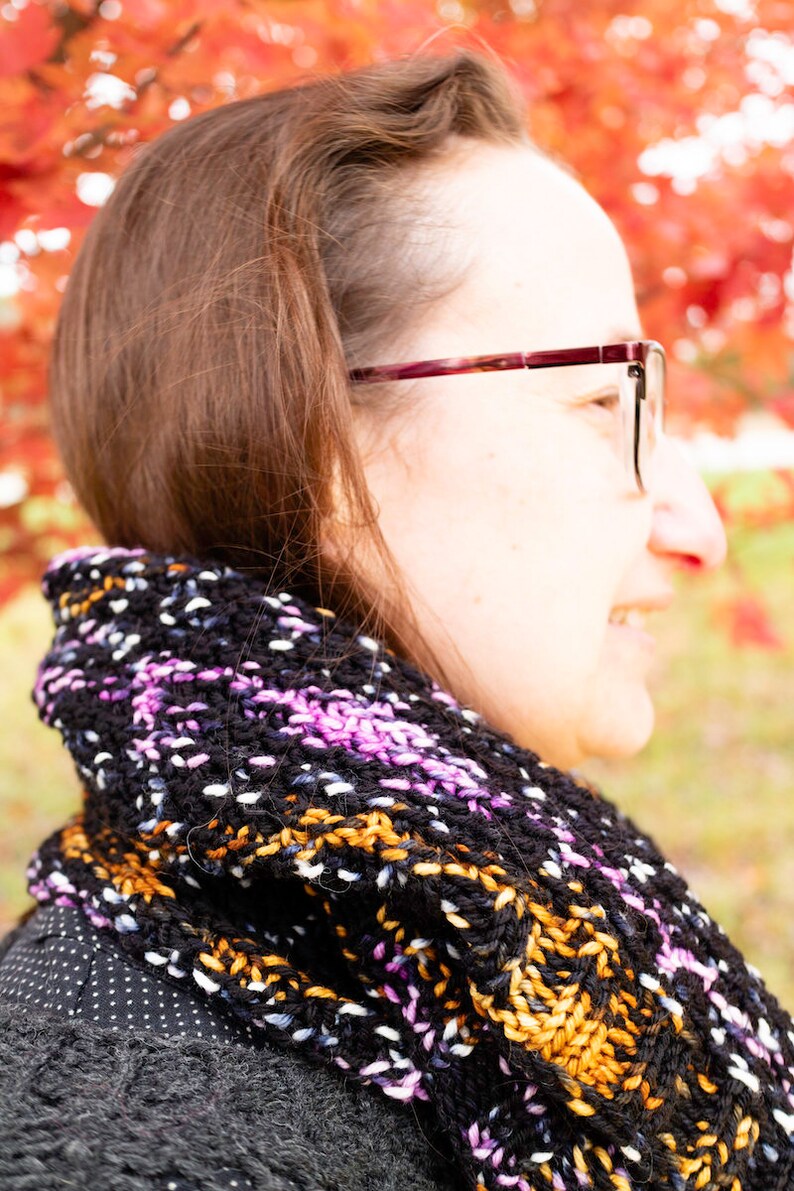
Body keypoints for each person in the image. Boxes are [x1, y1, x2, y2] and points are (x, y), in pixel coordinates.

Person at [0, 47, 791, 1191]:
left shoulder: (481, 943)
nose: (698, 525)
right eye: (601, 401)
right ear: (310, 439)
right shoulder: (134, 1146)